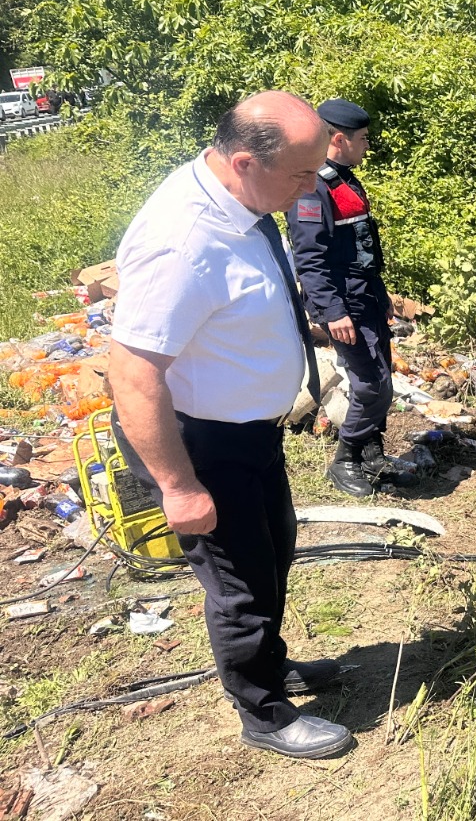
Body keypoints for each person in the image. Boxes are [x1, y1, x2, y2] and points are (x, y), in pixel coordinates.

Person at [109, 91, 352, 759]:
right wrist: (178, 487)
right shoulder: (182, 244)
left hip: (249, 431)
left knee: (273, 550)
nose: (313, 188)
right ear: (244, 161)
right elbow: (132, 374)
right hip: (198, 442)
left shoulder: (242, 201)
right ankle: (263, 712)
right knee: (240, 582)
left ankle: (272, 666)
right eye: (303, 174)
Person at [286, 98, 393, 497]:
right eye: (363, 139)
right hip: (344, 305)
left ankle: (371, 451)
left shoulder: (344, 178)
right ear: (338, 139)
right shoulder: (312, 188)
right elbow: (310, 260)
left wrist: (381, 298)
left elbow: (362, 250)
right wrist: (332, 312)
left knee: (384, 375)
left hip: (365, 298)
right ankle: (345, 459)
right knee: (371, 383)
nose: (368, 146)